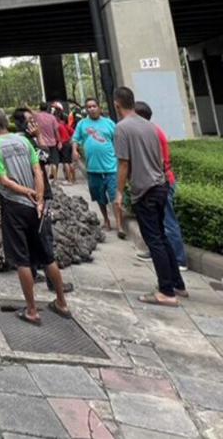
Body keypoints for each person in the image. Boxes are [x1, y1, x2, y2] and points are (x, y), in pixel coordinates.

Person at [0, 109, 71, 324]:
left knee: (22, 260)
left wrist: (25, 193)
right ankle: (62, 302)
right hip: (37, 208)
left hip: (14, 207)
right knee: (47, 256)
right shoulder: (24, 142)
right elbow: (38, 171)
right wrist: (39, 198)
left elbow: (3, 180)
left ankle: (32, 310)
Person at [112, 87, 186, 307]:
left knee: (154, 241)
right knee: (161, 237)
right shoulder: (151, 126)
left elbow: (124, 163)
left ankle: (166, 292)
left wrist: (119, 193)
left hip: (145, 191)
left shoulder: (122, 128)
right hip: (161, 186)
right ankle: (177, 284)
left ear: (117, 105)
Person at [134, 101, 188, 272]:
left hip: (160, 183)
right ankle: (157, 252)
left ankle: (179, 260)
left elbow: (157, 161)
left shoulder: (152, 133)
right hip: (157, 182)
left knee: (168, 222)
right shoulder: (151, 131)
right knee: (157, 223)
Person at [73, 98, 121, 235]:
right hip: (93, 169)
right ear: (86, 110)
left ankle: (119, 225)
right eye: (88, 107)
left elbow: (118, 141)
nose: (91, 109)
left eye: (94, 106)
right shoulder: (82, 124)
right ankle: (106, 220)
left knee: (115, 198)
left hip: (111, 168)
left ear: (99, 108)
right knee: (100, 198)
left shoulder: (109, 123)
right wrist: (74, 150)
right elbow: (75, 139)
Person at [34, 103, 61, 181]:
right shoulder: (52, 117)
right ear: (47, 108)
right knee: (53, 162)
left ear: (40, 108)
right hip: (52, 143)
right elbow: (56, 131)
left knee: (43, 162)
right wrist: (59, 141)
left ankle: (44, 180)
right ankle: (55, 180)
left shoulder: (37, 116)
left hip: (41, 144)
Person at [56, 108, 76, 184]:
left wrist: (60, 142)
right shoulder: (66, 125)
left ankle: (69, 180)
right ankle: (73, 179)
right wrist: (71, 139)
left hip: (64, 144)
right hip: (69, 144)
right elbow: (74, 132)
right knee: (70, 162)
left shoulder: (58, 126)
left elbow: (57, 136)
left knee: (65, 162)